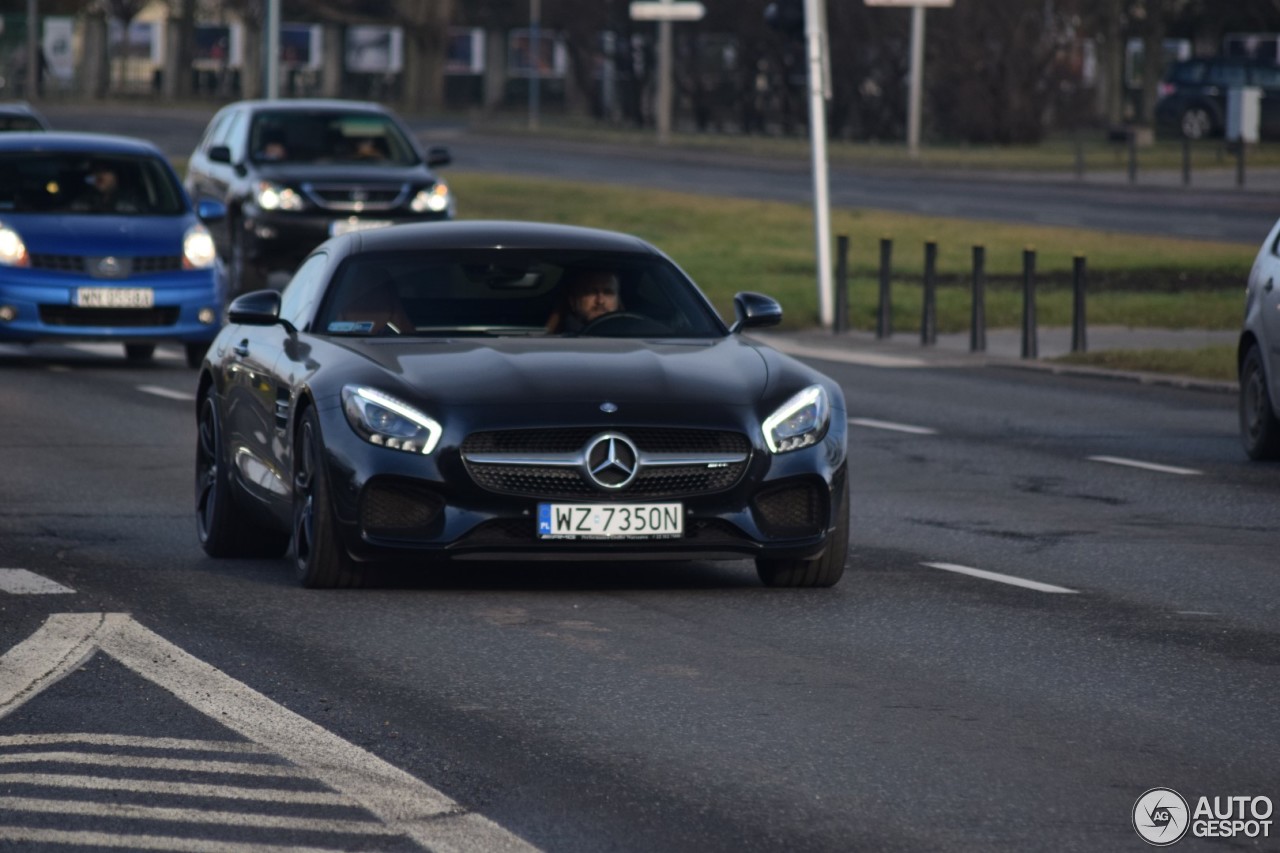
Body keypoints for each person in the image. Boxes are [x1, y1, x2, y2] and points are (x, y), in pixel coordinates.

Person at [546, 268, 622, 334]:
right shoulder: (560, 339)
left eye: (608, 293)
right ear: (573, 302)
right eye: (591, 292)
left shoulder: (632, 334)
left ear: (618, 301)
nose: (600, 301)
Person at [72, 162, 139, 214]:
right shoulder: (83, 201)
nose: (99, 176)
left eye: (105, 171)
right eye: (96, 171)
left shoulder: (130, 202)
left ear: (116, 177)